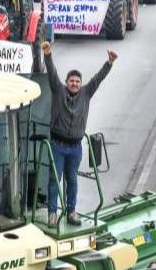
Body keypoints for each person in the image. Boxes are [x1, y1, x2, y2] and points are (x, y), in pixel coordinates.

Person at [42, 41, 117, 227]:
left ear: (80, 84)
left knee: (72, 181)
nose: (74, 84)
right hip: (57, 146)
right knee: (54, 180)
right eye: (71, 81)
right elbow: (51, 73)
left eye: (77, 81)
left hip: (75, 148)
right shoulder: (58, 91)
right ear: (66, 83)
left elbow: (98, 79)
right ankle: (52, 213)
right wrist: (48, 54)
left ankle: (71, 212)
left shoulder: (86, 93)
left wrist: (109, 63)